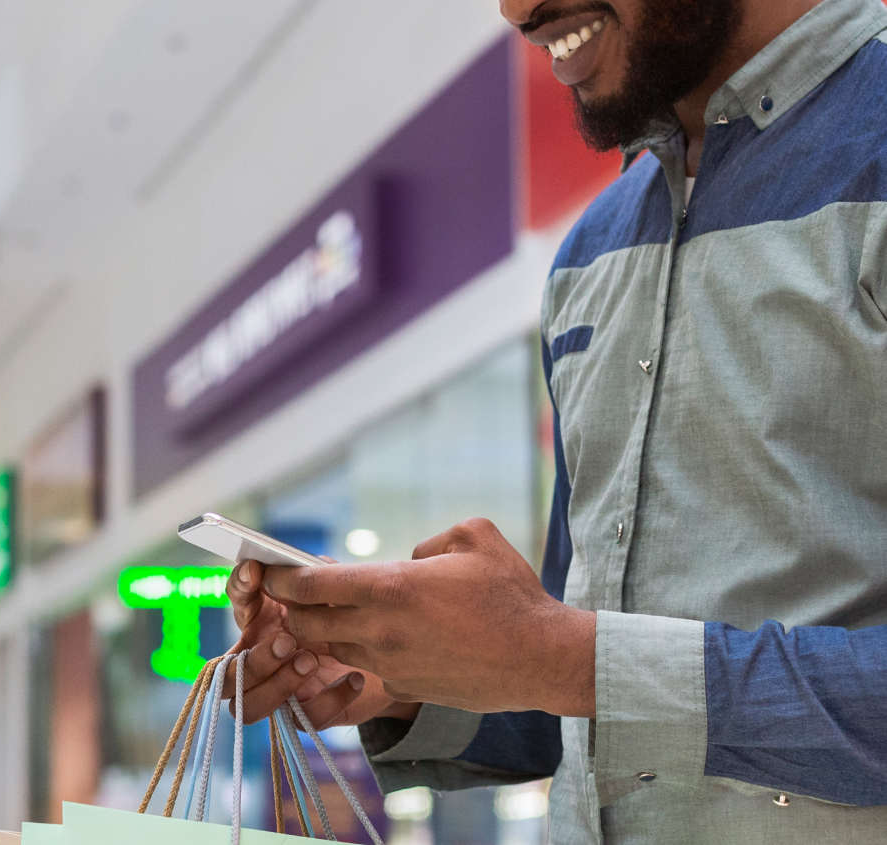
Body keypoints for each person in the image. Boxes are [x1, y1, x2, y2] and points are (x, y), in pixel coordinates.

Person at [222, 0, 887, 840]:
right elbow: (573, 699)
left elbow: (583, 664)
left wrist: (565, 658)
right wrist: (399, 667)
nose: (515, 9)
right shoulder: (594, 248)